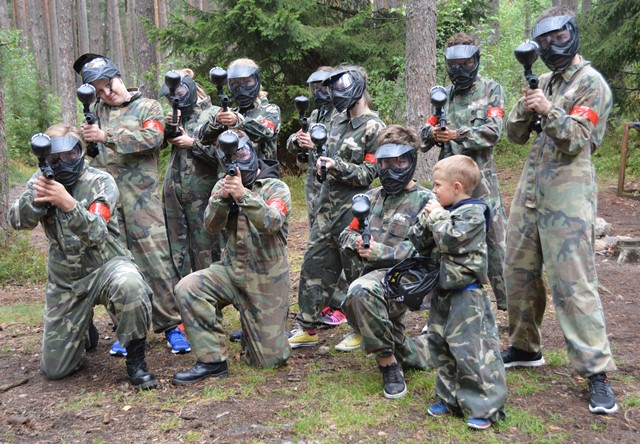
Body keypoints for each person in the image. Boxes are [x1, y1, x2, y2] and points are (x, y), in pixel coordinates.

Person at [501, 7, 618, 415]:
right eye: (543, 41)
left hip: (568, 192)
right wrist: (527, 105)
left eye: (558, 38)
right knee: (517, 269)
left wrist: (548, 110)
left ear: (572, 34)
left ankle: (596, 372)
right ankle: (524, 346)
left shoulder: (591, 83)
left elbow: (577, 139)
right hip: (532, 186)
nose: (551, 46)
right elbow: (514, 136)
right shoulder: (546, 80)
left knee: (573, 281)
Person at [8, 124, 158, 389]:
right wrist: (38, 200)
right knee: (56, 370)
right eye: (56, 158)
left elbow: (97, 232)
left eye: (72, 154)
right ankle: (84, 329)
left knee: (131, 284)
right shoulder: (41, 180)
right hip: (66, 279)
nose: (65, 162)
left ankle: (136, 360)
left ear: (81, 151)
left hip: (106, 266)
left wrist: (66, 202)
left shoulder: (100, 181)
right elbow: (17, 221)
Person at [73, 53, 190, 356]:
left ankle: (172, 326)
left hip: (142, 201)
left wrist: (106, 135)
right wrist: (87, 142)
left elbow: (153, 137)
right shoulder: (95, 112)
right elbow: (91, 156)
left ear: (119, 78)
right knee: (118, 266)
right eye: (98, 91)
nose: (106, 93)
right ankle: (127, 332)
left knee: (156, 262)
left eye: (107, 85)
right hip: (110, 205)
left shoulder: (147, 106)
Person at [171, 129, 291, 384]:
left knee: (270, 360)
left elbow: (272, 222)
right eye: (230, 157)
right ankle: (212, 361)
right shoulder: (222, 185)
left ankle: (253, 330)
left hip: (266, 279)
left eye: (242, 153)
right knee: (189, 288)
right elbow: (211, 226)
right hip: (231, 271)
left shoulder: (275, 187)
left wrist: (242, 195)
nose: (237, 161)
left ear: (252, 152)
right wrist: (223, 199)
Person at [290, 65, 385, 348]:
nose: (335, 94)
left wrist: (336, 166)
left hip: (353, 211)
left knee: (355, 269)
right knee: (313, 265)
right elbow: (317, 156)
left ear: (358, 87)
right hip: (325, 208)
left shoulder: (374, 127)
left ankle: (360, 328)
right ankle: (307, 326)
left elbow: (370, 173)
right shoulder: (336, 121)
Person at [410, 155, 506, 429]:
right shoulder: (443, 209)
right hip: (442, 292)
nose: (434, 190)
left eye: (437, 185)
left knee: (472, 351)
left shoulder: (474, 212)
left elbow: (451, 239)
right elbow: (418, 240)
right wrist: (426, 217)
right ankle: (449, 398)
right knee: (441, 346)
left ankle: (483, 407)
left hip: (467, 295)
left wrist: (437, 217)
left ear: (456, 187)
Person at [339, 125, 435, 398]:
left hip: (410, 279)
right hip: (375, 279)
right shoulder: (370, 199)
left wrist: (382, 253)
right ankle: (406, 350)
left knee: (359, 292)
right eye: (385, 163)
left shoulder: (426, 200)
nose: (391, 170)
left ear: (411, 160)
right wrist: (357, 243)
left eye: (399, 162)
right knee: (360, 298)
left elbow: (423, 247)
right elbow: (347, 233)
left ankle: (388, 363)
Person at [420, 32, 508, 311]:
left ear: (476, 60)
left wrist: (458, 134)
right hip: (447, 182)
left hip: (481, 179)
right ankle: (441, 303)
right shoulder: (442, 96)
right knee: (439, 235)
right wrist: (433, 134)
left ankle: (509, 306)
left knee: (496, 241)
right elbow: (424, 135)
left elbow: (493, 132)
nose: (460, 69)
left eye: (466, 63)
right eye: (454, 64)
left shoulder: (491, 90)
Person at [285, 66, 346, 327]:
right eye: (315, 88)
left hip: (334, 191)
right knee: (317, 244)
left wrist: (317, 145)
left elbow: (343, 151)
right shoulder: (316, 114)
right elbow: (296, 143)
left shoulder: (341, 114)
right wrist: (297, 141)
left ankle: (340, 302)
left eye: (323, 87)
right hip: (313, 188)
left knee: (337, 245)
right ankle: (322, 301)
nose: (319, 93)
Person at [160, 68, 224, 279]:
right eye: (171, 96)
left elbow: (224, 158)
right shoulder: (177, 117)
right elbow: (156, 146)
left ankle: (209, 294)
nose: (175, 99)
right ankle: (182, 293)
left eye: (179, 93)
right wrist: (168, 129)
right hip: (175, 197)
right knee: (177, 250)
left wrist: (192, 143)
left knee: (206, 249)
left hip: (203, 196)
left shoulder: (214, 114)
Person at [205, 58, 280, 160]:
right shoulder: (232, 113)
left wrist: (237, 121)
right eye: (235, 84)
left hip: (262, 169)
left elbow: (265, 133)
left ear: (257, 81)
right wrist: (217, 121)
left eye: (247, 82)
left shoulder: (270, 110)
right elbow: (204, 140)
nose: (241, 88)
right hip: (232, 169)